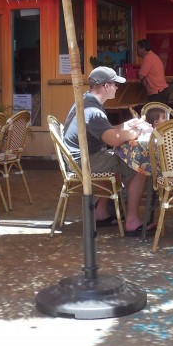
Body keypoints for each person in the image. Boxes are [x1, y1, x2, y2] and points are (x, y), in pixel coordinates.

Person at [62, 66, 149, 236]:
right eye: (115, 84)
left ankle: (101, 212)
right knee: (139, 165)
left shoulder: (87, 101)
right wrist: (138, 131)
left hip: (81, 158)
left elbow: (108, 131)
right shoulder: (93, 111)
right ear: (106, 86)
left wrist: (128, 125)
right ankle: (132, 221)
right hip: (84, 163)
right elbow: (113, 139)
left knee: (115, 159)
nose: (117, 87)